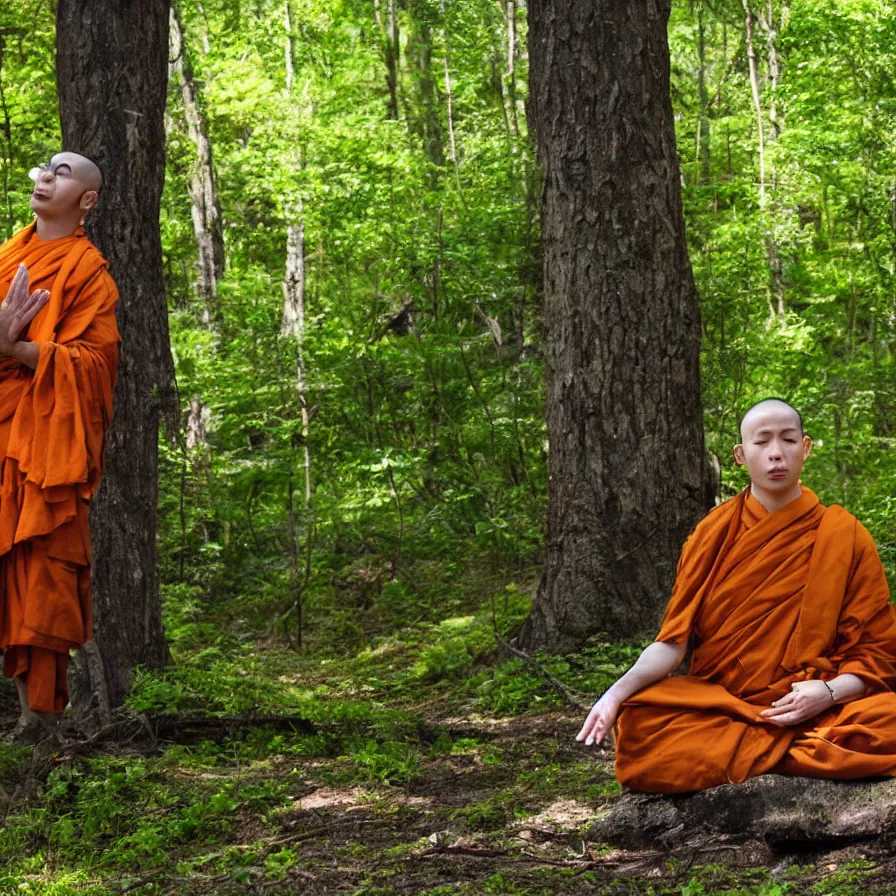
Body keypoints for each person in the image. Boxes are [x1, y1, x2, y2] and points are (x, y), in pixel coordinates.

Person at [577, 398, 896, 793]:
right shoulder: (712, 533)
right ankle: (795, 753)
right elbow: (672, 644)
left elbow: (877, 653)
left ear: (807, 447)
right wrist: (613, 695)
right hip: (723, 704)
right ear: (741, 455)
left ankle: (751, 754)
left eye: (788, 440)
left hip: (816, 702)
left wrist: (828, 692)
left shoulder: (844, 535)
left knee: (887, 716)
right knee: (640, 718)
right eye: (762, 443)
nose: (776, 454)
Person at [0, 152, 120, 742]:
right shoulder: (5, 258)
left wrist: (20, 350)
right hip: (1, 431)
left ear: (88, 201)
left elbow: (97, 365)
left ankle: (38, 719)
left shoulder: (88, 273)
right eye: (45, 168)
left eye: (64, 172)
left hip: (46, 443)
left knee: (39, 563)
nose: (46, 175)